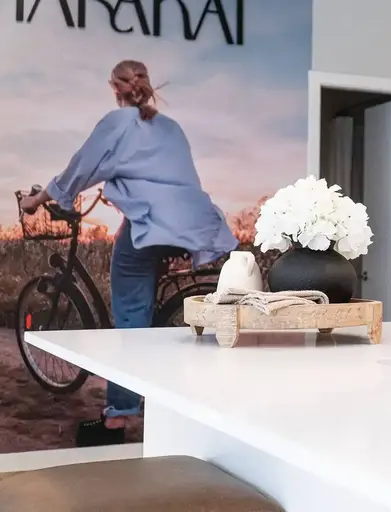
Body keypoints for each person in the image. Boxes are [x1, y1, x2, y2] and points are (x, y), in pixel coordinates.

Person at [19, 59, 239, 447]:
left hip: (153, 224)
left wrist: (37, 200)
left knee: (131, 321)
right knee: (142, 287)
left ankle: (118, 417)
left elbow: (79, 169)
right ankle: (157, 374)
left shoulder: (117, 123)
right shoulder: (171, 128)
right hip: (192, 224)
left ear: (115, 88)